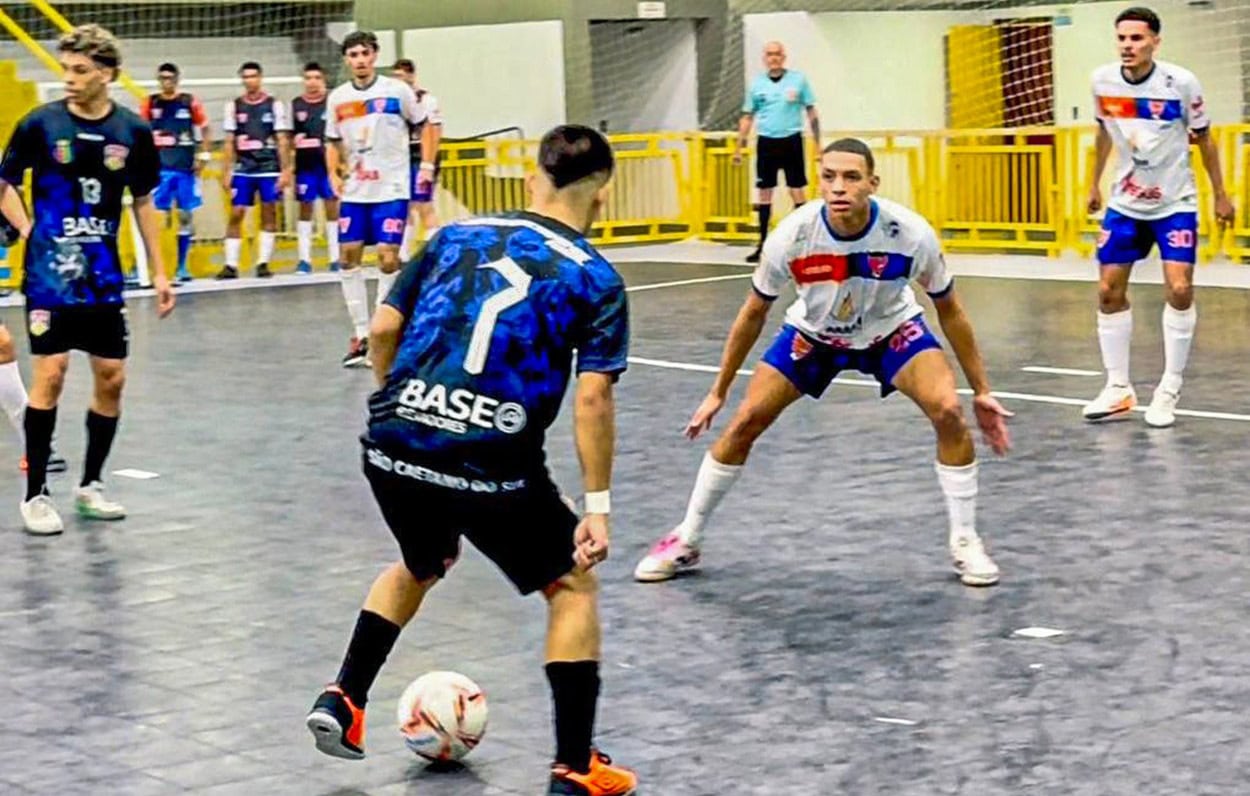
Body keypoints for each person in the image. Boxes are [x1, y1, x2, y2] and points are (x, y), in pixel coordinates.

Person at [305, 125, 637, 796]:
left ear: (533, 178)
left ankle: (343, 697)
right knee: (571, 586)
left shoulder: (455, 236)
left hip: (394, 442)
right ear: (602, 195)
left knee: (423, 560)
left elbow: (383, 328)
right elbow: (593, 397)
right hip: (491, 462)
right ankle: (576, 766)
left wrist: (399, 403)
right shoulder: (596, 278)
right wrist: (597, 507)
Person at [634, 138, 1012, 587]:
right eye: (829, 176)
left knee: (948, 410)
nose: (838, 187)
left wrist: (982, 390)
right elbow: (753, 313)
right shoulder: (792, 236)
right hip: (814, 336)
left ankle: (965, 540)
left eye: (851, 177)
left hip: (890, 332)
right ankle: (687, 537)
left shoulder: (910, 234)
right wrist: (719, 391)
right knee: (745, 421)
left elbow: (950, 310)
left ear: (872, 183)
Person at [0, 24, 175, 535]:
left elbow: (143, 201)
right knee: (51, 373)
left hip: (101, 276)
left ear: (107, 74)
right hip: (48, 276)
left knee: (112, 377)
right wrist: (29, 229)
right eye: (66, 69)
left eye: (80, 70)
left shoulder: (132, 132)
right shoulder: (40, 124)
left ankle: (91, 485)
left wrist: (159, 270)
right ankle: (36, 495)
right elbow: (4, 182)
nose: (69, 79)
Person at [1084, 6, 1233, 428]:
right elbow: (1103, 131)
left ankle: (1169, 387)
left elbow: (1204, 140)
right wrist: (1093, 183)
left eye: (1136, 38)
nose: (1128, 46)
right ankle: (1118, 388)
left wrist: (1221, 194)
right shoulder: (1102, 80)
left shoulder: (1181, 83)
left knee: (1180, 288)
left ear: (1155, 41)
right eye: (1122, 38)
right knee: (1108, 291)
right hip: (1125, 203)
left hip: (1175, 202)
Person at [325, 31, 430, 368]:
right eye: (353, 54)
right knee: (347, 257)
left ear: (374, 55)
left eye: (364, 53)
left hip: (391, 189)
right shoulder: (338, 98)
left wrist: (427, 165)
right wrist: (332, 172)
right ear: (346, 60)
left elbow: (426, 125)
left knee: (387, 258)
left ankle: (380, 332)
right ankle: (360, 335)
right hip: (356, 191)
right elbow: (331, 140)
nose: (360, 60)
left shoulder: (397, 91)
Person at [736, 41, 820, 264]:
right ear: (764, 58)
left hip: (791, 140)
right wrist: (739, 146)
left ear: (784, 56)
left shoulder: (798, 80)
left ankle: (804, 244)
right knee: (765, 192)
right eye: (769, 54)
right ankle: (762, 243)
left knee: (797, 190)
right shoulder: (757, 84)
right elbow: (747, 116)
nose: (773, 58)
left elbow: (811, 111)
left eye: (777, 54)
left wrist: (818, 144)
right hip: (767, 141)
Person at [218, 61, 292, 279]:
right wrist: (226, 170)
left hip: (269, 167)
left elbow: (282, 138)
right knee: (237, 213)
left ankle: (263, 263)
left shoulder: (274, 105)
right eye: (246, 77)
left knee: (269, 212)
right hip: (244, 167)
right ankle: (231, 265)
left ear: (260, 78)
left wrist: (286, 169)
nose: (250, 80)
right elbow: (229, 141)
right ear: (242, 80)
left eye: (253, 76)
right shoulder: (234, 106)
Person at [138, 62, 209, 284]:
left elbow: (205, 127)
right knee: (157, 217)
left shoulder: (189, 101)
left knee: (185, 215)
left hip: (185, 168)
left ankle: (182, 267)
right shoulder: (150, 102)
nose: (166, 82)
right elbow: (140, 132)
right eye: (162, 78)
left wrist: (204, 155)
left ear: (177, 79)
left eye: (170, 78)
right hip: (160, 170)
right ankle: (153, 267)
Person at [291, 61, 340, 274]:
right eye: (308, 78)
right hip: (305, 166)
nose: (312, 82)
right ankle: (304, 260)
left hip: (328, 166)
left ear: (323, 80)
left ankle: (335, 258)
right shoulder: (296, 105)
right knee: (305, 209)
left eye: (317, 78)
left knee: (332, 209)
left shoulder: (332, 102)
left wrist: (343, 163)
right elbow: (288, 136)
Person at [391, 58, 443, 260]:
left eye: (401, 76)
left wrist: (428, 163)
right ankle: (403, 255)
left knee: (424, 205)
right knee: (404, 206)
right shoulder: (394, 100)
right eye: (395, 77)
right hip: (402, 157)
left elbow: (435, 130)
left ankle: (435, 255)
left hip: (422, 156)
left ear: (411, 76)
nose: (398, 81)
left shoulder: (426, 100)